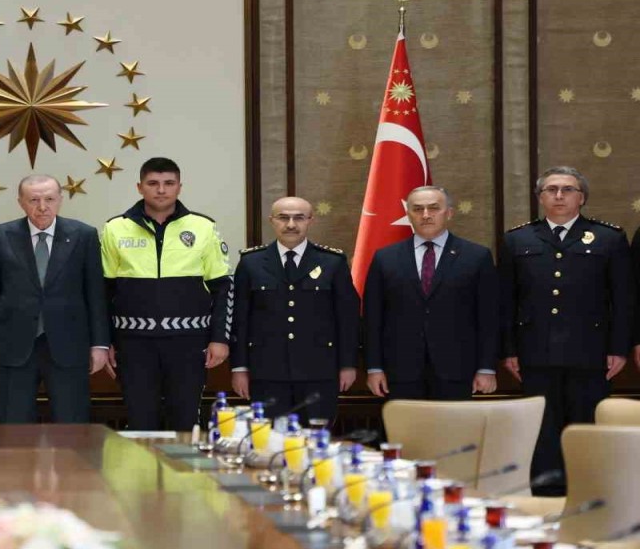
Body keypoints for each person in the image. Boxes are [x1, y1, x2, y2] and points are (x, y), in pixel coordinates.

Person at [499, 166, 632, 496]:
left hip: (591, 353)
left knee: (586, 427)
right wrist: (509, 349)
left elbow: (624, 299)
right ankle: (547, 495)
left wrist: (619, 348)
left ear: (581, 198)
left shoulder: (609, 238)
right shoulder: (517, 239)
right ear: (540, 197)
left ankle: (589, 493)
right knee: (542, 429)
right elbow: (505, 301)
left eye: (568, 189)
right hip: (535, 352)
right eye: (551, 189)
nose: (559, 195)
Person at [100, 157, 232, 430]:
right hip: (133, 344)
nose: (161, 190)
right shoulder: (115, 228)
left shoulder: (203, 227)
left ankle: (183, 462)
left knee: (184, 420)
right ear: (139, 187)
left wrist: (219, 338)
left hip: (188, 343)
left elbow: (222, 288)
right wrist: (105, 341)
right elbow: (103, 292)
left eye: (169, 183)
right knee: (140, 421)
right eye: (153, 183)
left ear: (179, 187)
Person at [0, 174, 110, 423]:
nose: (42, 207)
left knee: (72, 424)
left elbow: (95, 294)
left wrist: (100, 344)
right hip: (14, 345)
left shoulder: (84, 235)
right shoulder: (1, 235)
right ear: (20, 202)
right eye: (33, 200)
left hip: (69, 344)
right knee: (12, 425)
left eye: (49, 199)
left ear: (60, 199)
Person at [229, 197, 358, 424]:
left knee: (316, 438)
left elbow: (347, 318)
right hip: (266, 371)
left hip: (319, 371)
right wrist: (239, 367)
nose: (291, 224)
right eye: (283, 218)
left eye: (299, 218)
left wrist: (347, 364)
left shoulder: (332, 262)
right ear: (272, 220)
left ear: (310, 220)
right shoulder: (251, 262)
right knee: (270, 439)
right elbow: (240, 319)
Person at [363, 186, 499, 400]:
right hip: (400, 371)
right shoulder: (385, 258)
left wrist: (487, 368)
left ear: (449, 213)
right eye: (418, 209)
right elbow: (373, 318)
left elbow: (488, 317)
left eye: (434, 208)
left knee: (453, 424)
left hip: (457, 369)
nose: (425, 215)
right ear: (408, 215)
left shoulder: (476, 256)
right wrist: (374, 367)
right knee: (404, 424)